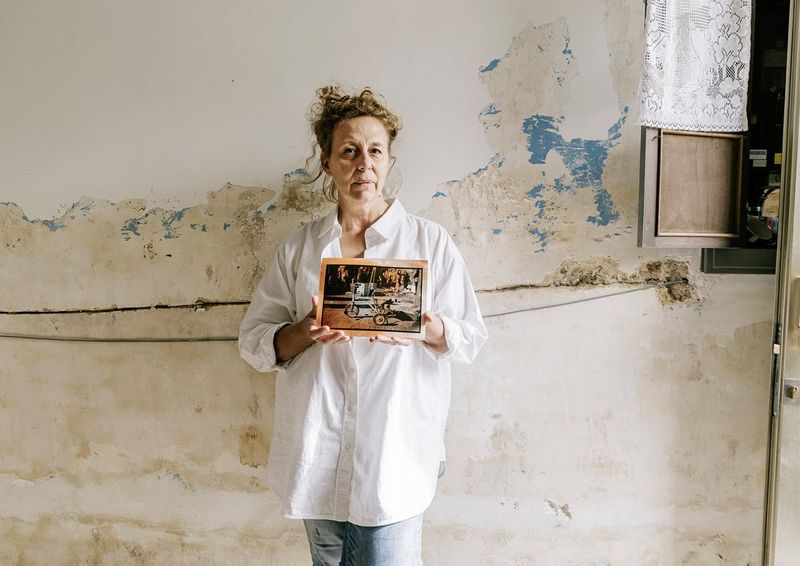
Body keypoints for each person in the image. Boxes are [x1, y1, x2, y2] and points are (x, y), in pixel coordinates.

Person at [238, 85, 487, 566]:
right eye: (348, 151)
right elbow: (254, 341)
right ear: (328, 163)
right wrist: (304, 330)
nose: (363, 163)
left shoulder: (429, 242)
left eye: (375, 151)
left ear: (390, 160)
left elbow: (470, 336)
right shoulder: (300, 248)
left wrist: (424, 326)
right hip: (319, 452)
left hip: (395, 454)